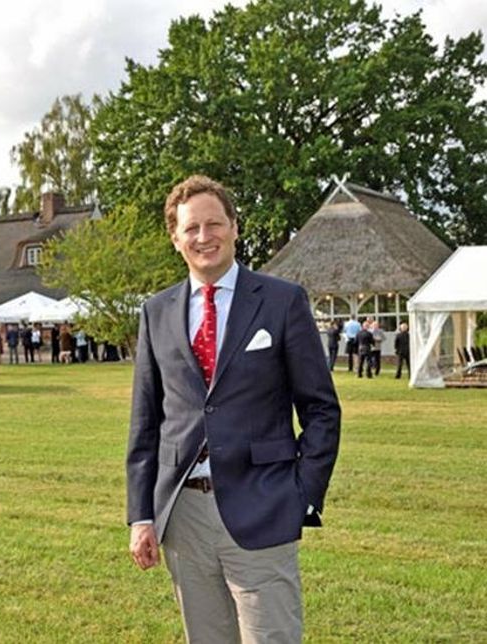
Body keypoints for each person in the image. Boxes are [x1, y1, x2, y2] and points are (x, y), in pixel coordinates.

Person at [127, 175, 340, 644]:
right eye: (192, 228)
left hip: (263, 506)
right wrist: (142, 515)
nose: (204, 237)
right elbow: (146, 424)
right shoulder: (156, 311)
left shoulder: (282, 301)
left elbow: (322, 410)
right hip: (183, 516)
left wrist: (302, 493)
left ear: (235, 227)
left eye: (214, 224)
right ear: (175, 238)